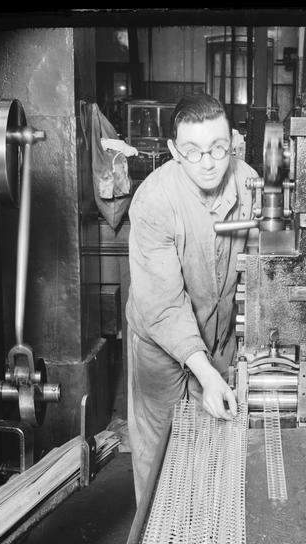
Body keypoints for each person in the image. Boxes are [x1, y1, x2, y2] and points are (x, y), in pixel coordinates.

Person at [125, 93, 258, 507]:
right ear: (173, 151)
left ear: (233, 141)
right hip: (158, 345)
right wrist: (205, 372)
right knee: (159, 453)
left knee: (215, 445)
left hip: (219, 337)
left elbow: (262, 267)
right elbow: (164, 306)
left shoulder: (249, 185)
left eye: (218, 148)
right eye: (193, 151)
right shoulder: (153, 201)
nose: (208, 161)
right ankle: (159, 543)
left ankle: (206, 538)